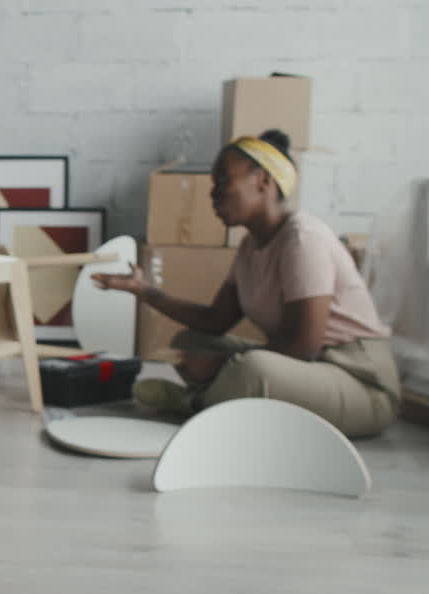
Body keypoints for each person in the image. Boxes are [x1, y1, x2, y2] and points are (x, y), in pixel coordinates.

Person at [94, 129, 400, 437]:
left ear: (264, 181)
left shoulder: (302, 238)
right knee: (191, 342)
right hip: (309, 368)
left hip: (359, 381)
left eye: (223, 180)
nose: (213, 193)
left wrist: (227, 362)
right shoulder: (250, 247)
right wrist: (141, 290)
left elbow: (304, 346)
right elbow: (214, 321)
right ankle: (229, 398)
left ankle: (195, 404)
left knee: (254, 369)